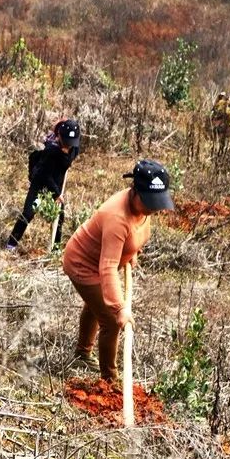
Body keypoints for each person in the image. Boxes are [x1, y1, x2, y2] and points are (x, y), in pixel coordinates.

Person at [62, 160, 175, 383]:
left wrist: (131, 252)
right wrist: (120, 308)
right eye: (149, 202)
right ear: (135, 191)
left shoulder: (142, 208)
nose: (153, 209)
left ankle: (82, 353)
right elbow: (107, 268)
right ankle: (109, 380)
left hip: (101, 261)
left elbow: (136, 231)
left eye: (157, 202)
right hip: (83, 264)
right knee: (111, 321)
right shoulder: (117, 217)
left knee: (96, 307)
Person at [5, 119, 80, 251]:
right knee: (28, 213)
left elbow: (71, 157)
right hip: (41, 185)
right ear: (59, 137)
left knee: (59, 217)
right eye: (66, 142)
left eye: (71, 143)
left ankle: (55, 248)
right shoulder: (51, 151)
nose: (68, 146)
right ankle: (11, 243)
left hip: (57, 183)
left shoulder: (74, 147)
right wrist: (56, 194)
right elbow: (45, 175)